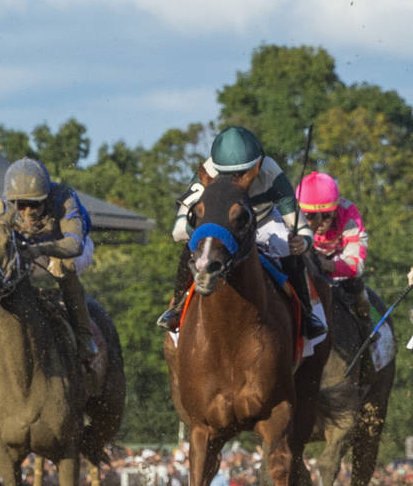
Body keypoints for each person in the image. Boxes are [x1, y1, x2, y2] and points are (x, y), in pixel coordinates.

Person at [157, 125, 325, 339]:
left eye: (242, 173)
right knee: (190, 248)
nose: (235, 180)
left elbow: (299, 227)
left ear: (258, 164)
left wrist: (302, 243)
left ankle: (306, 314)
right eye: (228, 174)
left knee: (289, 249)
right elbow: (179, 230)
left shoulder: (271, 171)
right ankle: (178, 306)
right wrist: (206, 229)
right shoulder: (208, 172)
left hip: (263, 221)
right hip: (223, 227)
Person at [0, 158, 97, 362]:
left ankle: (83, 335)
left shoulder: (64, 197)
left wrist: (38, 250)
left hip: (72, 246)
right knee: (5, 267)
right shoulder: (6, 202)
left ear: (46, 198)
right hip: (33, 248)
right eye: (22, 206)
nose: (27, 212)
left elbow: (74, 245)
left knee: (63, 266)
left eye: (34, 205)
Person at [294, 171, 370, 330]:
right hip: (309, 259)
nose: (319, 223)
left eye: (327, 215)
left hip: (338, 261)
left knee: (360, 296)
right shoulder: (290, 214)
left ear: (336, 210)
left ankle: (367, 334)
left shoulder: (349, 214)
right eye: (310, 215)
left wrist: (326, 265)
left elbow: (356, 265)